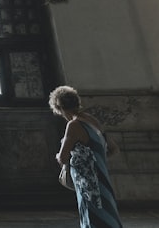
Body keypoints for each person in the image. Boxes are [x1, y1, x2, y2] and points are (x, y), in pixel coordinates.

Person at [49, 85, 123, 228]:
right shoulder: (93, 121)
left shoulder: (73, 125)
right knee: (108, 215)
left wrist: (60, 156)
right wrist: (95, 160)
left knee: (92, 217)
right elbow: (114, 149)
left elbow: (63, 158)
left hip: (87, 184)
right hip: (102, 180)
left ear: (60, 108)